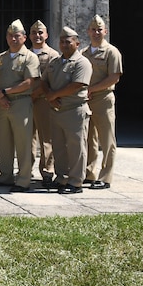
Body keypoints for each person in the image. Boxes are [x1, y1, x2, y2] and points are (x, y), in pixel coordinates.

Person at [0, 19, 41, 192]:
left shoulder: (30, 57)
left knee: (23, 143)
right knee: (3, 142)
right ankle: (5, 176)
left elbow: (29, 83)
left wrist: (4, 92)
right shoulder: (0, 58)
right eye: (10, 35)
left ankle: (24, 179)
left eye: (17, 36)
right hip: (2, 104)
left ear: (24, 38)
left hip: (20, 103)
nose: (13, 39)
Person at [40, 26, 92, 194]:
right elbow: (43, 81)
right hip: (56, 110)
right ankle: (61, 178)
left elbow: (77, 85)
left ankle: (76, 182)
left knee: (76, 147)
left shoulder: (82, 62)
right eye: (62, 42)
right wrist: (50, 96)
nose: (64, 44)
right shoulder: (54, 62)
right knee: (59, 146)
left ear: (77, 43)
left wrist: (53, 95)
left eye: (68, 42)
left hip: (74, 110)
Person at [83, 15, 123, 189]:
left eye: (99, 30)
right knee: (88, 138)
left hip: (103, 99)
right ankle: (89, 173)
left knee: (106, 140)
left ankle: (105, 177)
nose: (96, 33)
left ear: (105, 31)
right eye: (93, 30)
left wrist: (92, 89)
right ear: (88, 32)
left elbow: (114, 77)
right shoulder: (84, 53)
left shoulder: (111, 52)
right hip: (85, 100)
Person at [29, 20, 61, 185]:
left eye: (41, 33)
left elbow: (51, 80)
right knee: (27, 138)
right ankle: (26, 170)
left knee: (46, 137)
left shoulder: (52, 55)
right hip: (26, 101)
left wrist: (36, 93)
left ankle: (48, 171)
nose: (37, 36)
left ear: (47, 35)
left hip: (43, 101)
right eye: (34, 33)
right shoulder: (26, 54)